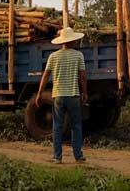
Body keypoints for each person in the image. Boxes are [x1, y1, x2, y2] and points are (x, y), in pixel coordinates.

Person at [35, 27, 88, 164]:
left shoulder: (53, 57)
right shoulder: (78, 56)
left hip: (58, 96)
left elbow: (45, 76)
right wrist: (85, 92)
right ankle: (78, 156)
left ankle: (57, 157)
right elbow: (82, 76)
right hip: (73, 95)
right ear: (72, 41)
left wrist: (40, 93)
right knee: (76, 126)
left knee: (57, 126)